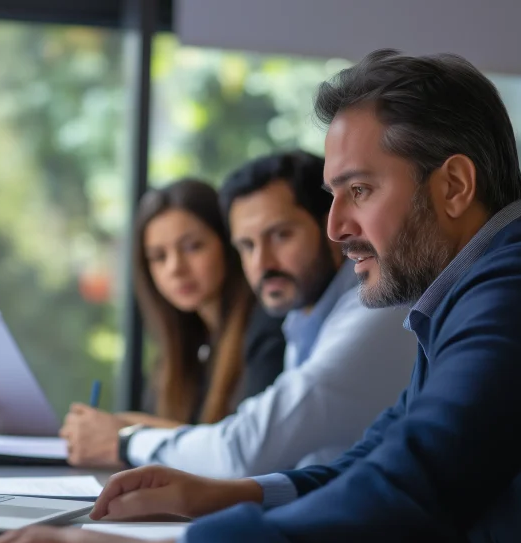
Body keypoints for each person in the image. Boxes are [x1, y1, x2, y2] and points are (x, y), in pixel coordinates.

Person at [0, 49, 521, 543]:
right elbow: (374, 460)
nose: (337, 227)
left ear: (454, 186)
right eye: (333, 196)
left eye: (359, 191)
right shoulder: (470, 288)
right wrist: (232, 495)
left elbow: (416, 486)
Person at [60, 150, 416, 476]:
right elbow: (291, 471)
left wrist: (126, 439)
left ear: (332, 228)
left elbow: (245, 451)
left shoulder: (374, 306)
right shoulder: (300, 321)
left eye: (280, 236)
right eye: (247, 245)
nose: (262, 263)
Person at [0, 179, 287, 447]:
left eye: (193, 247)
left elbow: (240, 445)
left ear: (228, 244)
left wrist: (124, 429)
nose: (175, 269)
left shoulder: (266, 330)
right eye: (158, 257)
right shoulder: (180, 356)